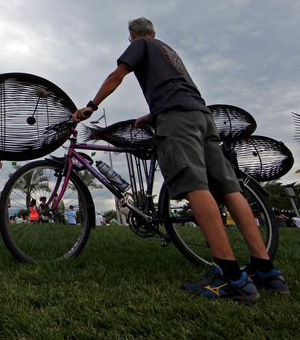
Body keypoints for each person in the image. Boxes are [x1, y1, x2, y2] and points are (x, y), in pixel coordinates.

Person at [73, 17, 288, 301]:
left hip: (178, 121)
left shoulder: (142, 45)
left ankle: (231, 276)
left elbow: (117, 76)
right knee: (228, 187)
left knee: (193, 184)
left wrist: (91, 106)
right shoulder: (168, 51)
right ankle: (266, 270)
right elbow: (179, 88)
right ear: (154, 31)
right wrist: (151, 115)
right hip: (201, 116)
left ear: (132, 35)